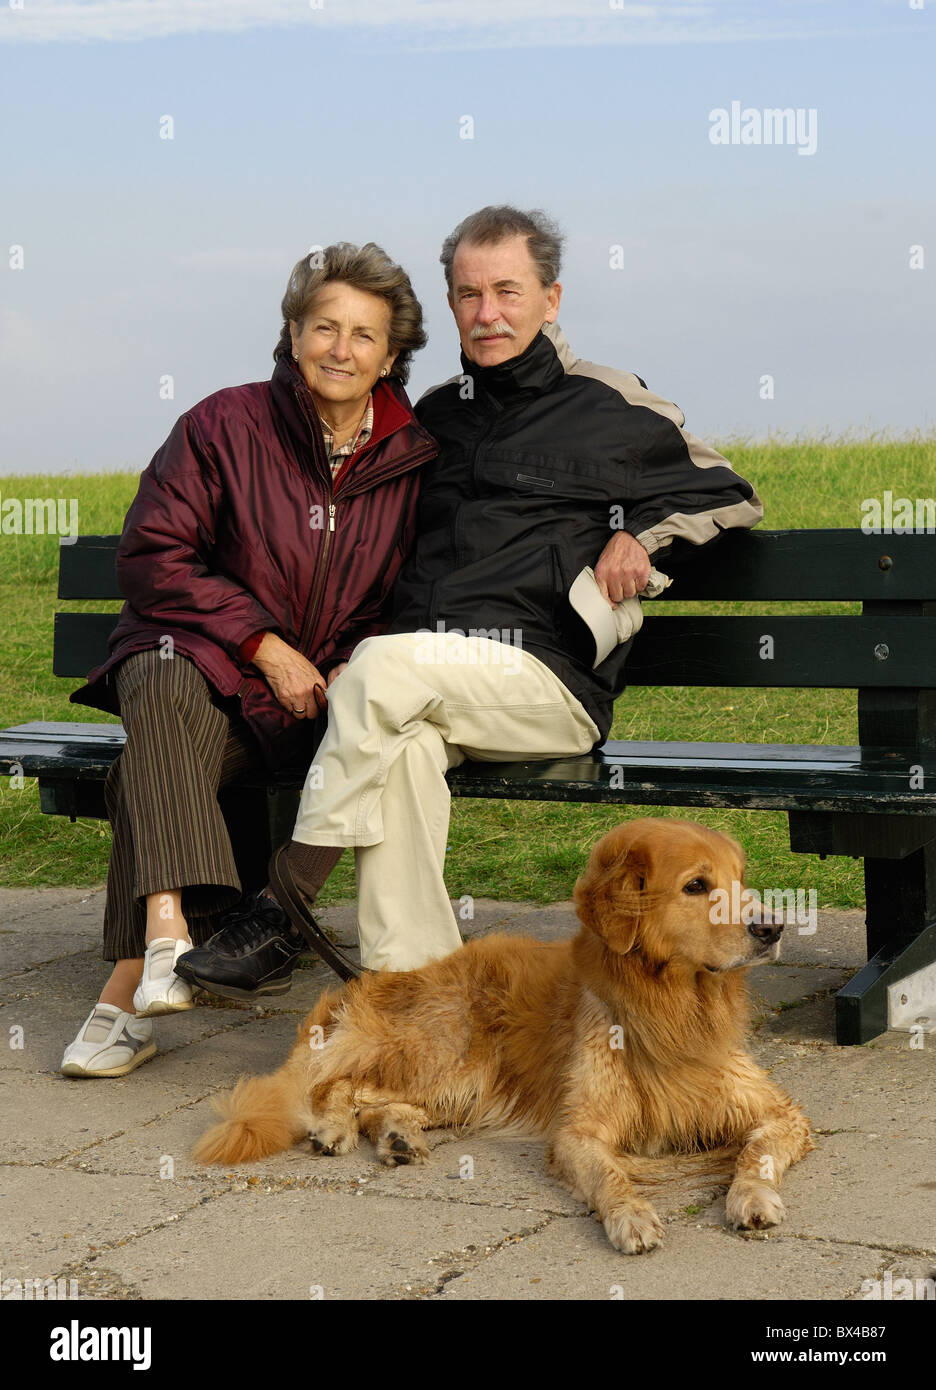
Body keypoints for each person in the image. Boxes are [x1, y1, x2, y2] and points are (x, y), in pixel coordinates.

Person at [177, 204, 764, 991]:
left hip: (544, 681)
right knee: (404, 758)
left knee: (378, 672)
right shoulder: (435, 418)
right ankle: (414, 1000)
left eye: (508, 292)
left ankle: (283, 906)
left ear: (550, 300)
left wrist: (645, 536)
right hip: (425, 688)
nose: (487, 313)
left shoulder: (612, 404)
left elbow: (729, 492)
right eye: (467, 294)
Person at [60, 242, 437, 1077]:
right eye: (323, 327)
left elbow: (420, 593)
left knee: (142, 774)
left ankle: (130, 990)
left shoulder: (416, 461)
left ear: (391, 354)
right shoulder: (224, 423)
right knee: (156, 677)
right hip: (212, 679)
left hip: (327, 712)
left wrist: (353, 665)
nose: (340, 349)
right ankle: (166, 937)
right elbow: (154, 554)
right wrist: (265, 647)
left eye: (363, 335)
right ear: (292, 332)